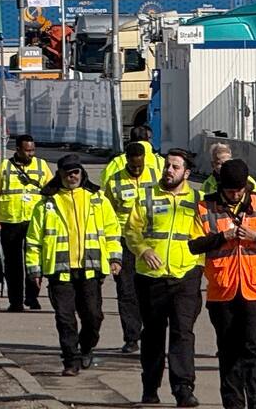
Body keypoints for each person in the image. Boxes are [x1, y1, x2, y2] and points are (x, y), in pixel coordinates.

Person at [190, 159, 256, 409]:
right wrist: (223, 237)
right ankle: (232, 403)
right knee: (229, 352)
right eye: (230, 191)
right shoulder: (204, 207)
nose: (235, 195)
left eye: (239, 190)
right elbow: (194, 245)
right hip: (223, 291)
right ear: (222, 187)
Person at [26, 153, 122, 377]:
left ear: (82, 172)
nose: (72, 176)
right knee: (65, 319)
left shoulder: (97, 199)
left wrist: (115, 258)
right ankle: (70, 360)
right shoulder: (46, 203)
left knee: (93, 316)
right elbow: (33, 241)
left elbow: (112, 231)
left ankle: (86, 347)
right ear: (59, 174)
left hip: (91, 269)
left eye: (76, 172)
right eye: (68, 173)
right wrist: (34, 270)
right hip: (60, 273)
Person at [126, 148, 204, 408]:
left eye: (175, 167)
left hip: (186, 276)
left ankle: (183, 389)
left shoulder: (198, 200)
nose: (169, 171)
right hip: (151, 277)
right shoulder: (146, 195)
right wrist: (144, 250)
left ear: (187, 173)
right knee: (153, 334)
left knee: (183, 334)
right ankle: (150, 387)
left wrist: (200, 267)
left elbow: (206, 236)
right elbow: (131, 231)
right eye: (167, 166)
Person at [101, 140, 160, 354]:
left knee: (153, 291)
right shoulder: (115, 181)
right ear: (126, 160)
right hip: (124, 243)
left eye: (140, 165)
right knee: (127, 291)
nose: (137, 170)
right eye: (133, 166)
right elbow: (107, 213)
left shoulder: (156, 176)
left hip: (150, 241)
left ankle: (153, 336)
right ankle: (132, 337)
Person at [0, 133, 52, 312]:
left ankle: (32, 297)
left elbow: (52, 190)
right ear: (17, 149)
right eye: (27, 151)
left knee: (34, 262)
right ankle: (15, 301)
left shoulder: (41, 166)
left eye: (32, 150)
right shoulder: (4, 167)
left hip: (34, 221)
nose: (30, 154)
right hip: (11, 221)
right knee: (13, 264)